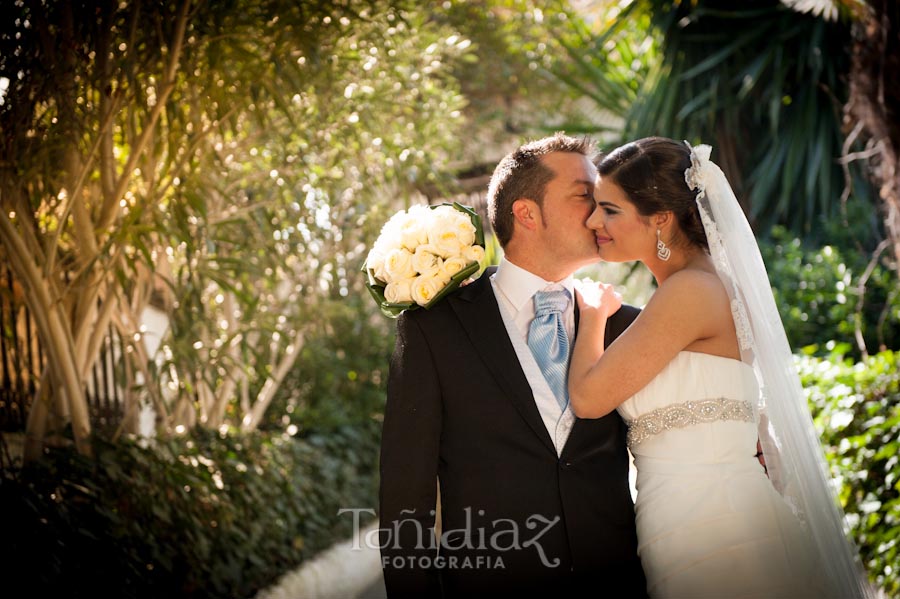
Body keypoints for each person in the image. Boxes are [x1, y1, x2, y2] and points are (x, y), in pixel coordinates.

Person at [568, 136, 873, 598]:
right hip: (693, 518)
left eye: (610, 210)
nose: (594, 221)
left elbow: (589, 399)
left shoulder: (689, 292)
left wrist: (592, 315)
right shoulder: (707, 284)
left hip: (711, 526)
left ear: (661, 219)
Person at [378, 133, 647, 597]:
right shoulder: (435, 328)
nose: (601, 211)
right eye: (585, 195)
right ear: (526, 213)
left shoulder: (627, 324)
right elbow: (406, 496)